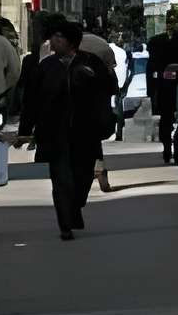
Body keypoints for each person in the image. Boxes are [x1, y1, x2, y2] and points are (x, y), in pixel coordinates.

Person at [18, 19, 112, 239]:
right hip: (54, 132)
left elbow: (106, 92)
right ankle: (65, 224)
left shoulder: (90, 62)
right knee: (61, 179)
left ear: (71, 41)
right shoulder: (46, 67)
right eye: (53, 37)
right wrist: (25, 129)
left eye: (58, 37)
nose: (53, 41)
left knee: (83, 177)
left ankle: (74, 207)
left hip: (85, 131)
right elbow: (31, 100)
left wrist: (104, 123)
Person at [80, 21, 120, 192]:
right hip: (100, 97)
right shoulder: (102, 44)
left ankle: (84, 172)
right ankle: (100, 170)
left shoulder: (72, 47)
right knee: (94, 139)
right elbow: (112, 70)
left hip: (79, 100)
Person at [147, 13, 178, 164]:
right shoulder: (157, 41)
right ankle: (169, 148)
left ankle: (176, 148)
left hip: (177, 84)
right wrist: (152, 91)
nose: (171, 25)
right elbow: (151, 68)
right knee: (167, 119)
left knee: (176, 119)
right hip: (166, 86)